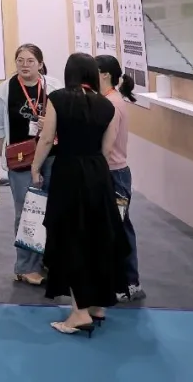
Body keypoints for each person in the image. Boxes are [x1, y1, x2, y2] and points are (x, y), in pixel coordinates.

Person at [32, 53, 129, 336]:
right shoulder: (106, 105)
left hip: (68, 173)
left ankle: (79, 312)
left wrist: (36, 168)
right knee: (98, 238)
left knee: (70, 238)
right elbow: (107, 148)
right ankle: (97, 305)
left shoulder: (58, 99)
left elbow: (47, 139)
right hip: (98, 174)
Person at [0, 43, 62, 286]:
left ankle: (47, 260)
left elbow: (66, 119)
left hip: (52, 157)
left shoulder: (54, 87)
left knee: (51, 211)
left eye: (30, 60)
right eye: (20, 60)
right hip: (21, 161)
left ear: (40, 64)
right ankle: (25, 267)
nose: (24, 65)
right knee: (28, 212)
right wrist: (6, 154)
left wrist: (50, 125)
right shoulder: (5, 90)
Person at [96, 54, 146, 303]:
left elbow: (107, 145)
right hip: (112, 172)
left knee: (119, 228)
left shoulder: (112, 104)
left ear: (105, 74)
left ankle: (130, 283)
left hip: (113, 175)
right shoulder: (107, 100)